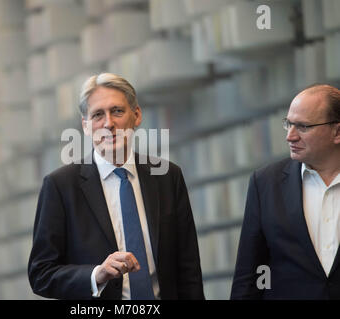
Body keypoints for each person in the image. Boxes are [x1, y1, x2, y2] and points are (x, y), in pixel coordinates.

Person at [28, 73, 204, 300]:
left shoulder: (167, 177)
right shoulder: (61, 186)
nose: (108, 123)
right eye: (98, 115)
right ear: (86, 126)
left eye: (117, 111)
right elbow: (40, 274)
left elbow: (188, 268)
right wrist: (95, 275)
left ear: (136, 115)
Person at [231, 84, 340, 299]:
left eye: (303, 127)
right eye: (288, 124)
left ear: (337, 132)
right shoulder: (265, 184)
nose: (290, 136)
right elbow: (248, 276)